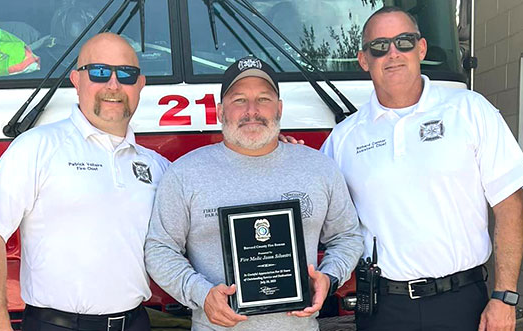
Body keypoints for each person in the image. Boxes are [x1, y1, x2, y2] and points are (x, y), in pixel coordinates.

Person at [320, 6, 523, 331]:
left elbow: (510, 208)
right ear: (364, 60)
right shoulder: (343, 139)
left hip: (463, 305)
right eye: (379, 47)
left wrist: (504, 297)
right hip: (382, 310)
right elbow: (318, 209)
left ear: (420, 48)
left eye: (403, 42)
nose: (392, 53)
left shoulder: (470, 111)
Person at [144, 56, 363, 331]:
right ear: (221, 111)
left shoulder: (319, 168)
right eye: (239, 100)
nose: (252, 110)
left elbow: (348, 237)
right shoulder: (185, 174)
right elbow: (159, 249)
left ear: (279, 109)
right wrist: (201, 294)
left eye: (263, 99)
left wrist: (329, 277)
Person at [0, 32, 169, 331]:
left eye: (126, 75)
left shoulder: (158, 167)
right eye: (100, 72)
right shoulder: (36, 147)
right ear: (77, 81)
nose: (113, 85)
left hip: (136, 322)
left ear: (140, 85)